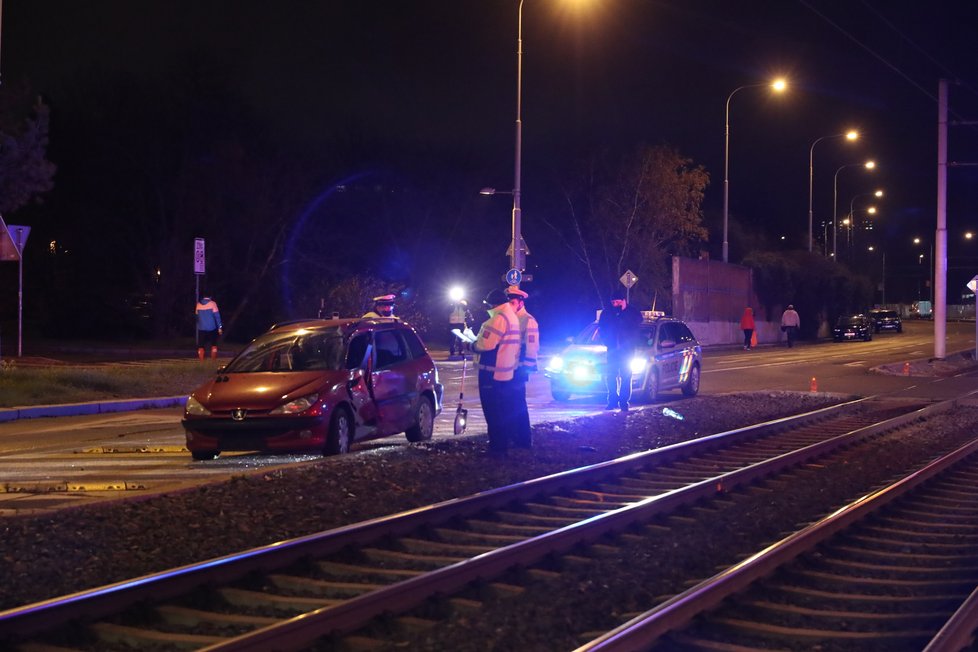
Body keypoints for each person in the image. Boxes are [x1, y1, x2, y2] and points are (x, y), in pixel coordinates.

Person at [472, 288, 522, 454]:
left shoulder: (498, 319)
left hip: (491, 373)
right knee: (501, 411)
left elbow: (485, 345)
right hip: (505, 372)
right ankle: (502, 445)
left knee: (493, 413)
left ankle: (497, 448)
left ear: (493, 304)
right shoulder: (512, 317)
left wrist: (471, 345)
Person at [598, 289, 643, 411]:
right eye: (614, 302)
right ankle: (612, 401)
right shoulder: (607, 313)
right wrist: (607, 342)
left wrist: (624, 312)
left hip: (627, 350)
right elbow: (601, 328)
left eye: (618, 302)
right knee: (611, 376)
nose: (615, 304)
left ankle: (624, 402)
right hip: (612, 350)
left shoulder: (632, 312)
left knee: (626, 376)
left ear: (624, 301)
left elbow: (637, 322)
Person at [507, 285, 539, 448]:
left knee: (518, 404)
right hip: (508, 368)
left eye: (512, 302)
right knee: (510, 404)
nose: (510, 305)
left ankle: (524, 440)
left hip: (519, 369)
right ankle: (514, 437)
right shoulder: (509, 318)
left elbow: (532, 347)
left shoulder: (528, 320)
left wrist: (524, 368)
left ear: (520, 302)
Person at [195, 296, 223, 361]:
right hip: (212, 328)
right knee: (214, 344)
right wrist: (220, 327)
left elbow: (197, 317)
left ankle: (201, 361)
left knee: (201, 345)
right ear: (210, 297)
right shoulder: (213, 303)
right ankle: (213, 360)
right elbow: (217, 316)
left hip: (201, 328)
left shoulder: (198, 304)